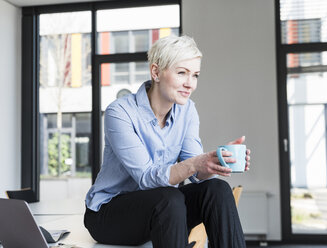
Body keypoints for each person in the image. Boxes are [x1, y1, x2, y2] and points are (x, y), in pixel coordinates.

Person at [84, 35, 251, 248]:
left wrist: (215, 162)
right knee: (168, 198)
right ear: (156, 72)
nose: (189, 84)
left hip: (162, 208)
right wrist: (195, 163)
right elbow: (146, 177)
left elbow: (196, 172)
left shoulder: (187, 110)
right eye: (182, 73)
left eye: (195, 75)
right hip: (109, 214)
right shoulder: (120, 112)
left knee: (216, 189)